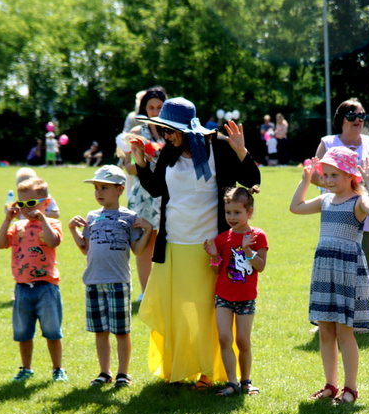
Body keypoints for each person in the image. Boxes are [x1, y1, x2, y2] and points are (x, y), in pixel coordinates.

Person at [128, 97, 260, 386]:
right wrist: (140, 161)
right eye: (162, 130)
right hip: (173, 244)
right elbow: (155, 188)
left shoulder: (220, 148)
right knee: (177, 310)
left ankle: (209, 371)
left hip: (210, 247)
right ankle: (178, 368)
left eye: (169, 130)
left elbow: (252, 181)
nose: (165, 135)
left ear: (187, 129)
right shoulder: (168, 152)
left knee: (207, 312)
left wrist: (241, 152)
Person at [290, 147, 369, 403]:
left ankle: (350, 388)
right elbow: (296, 207)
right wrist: (306, 179)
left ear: (350, 175)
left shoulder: (358, 201)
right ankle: (330, 384)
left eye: (334, 175)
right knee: (325, 331)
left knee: (344, 332)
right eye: (326, 175)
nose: (328, 180)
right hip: (325, 269)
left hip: (346, 270)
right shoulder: (325, 200)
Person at [68, 165, 152, 388]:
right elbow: (85, 248)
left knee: (121, 331)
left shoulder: (129, 217)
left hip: (118, 282)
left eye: (104, 187)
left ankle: (123, 373)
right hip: (93, 281)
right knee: (100, 331)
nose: (98, 192)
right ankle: (104, 372)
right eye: (96, 188)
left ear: (120, 189)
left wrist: (148, 230)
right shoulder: (92, 216)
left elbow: (138, 250)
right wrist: (73, 231)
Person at [315, 98, 369, 317]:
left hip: (366, 213)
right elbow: (316, 174)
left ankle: (368, 320)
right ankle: (329, 317)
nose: (358, 120)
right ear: (341, 119)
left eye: (362, 116)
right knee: (333, 268)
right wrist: (336, 184)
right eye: (353, 116)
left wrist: (355, 180)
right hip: (336, 214)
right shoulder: (327, 143)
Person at [0, 176, 66, 383]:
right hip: (22, 287)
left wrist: (41, 219)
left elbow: (53, 241)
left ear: (46, 203)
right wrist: (8, 219)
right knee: (23, 333)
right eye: (21, 204)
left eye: (31, 203)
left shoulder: (51, 222)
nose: (26, 208)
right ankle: (26, 368)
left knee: (52, 331)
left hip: (47, 286)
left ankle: (57, 369)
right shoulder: (17, 227)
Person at [203, 187, 268, 397]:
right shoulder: (222, 239)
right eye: (228, 212)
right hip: (223, 295)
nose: (232, 217)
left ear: (249, 212)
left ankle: (246, 381)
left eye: (237, 212)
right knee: (224, 337)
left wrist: (248, 250)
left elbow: (260, 266)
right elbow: (216, 270)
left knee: (242, 340)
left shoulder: (258, 236)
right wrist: (214, 255)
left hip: (246, 298)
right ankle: (232, 382)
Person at [120, 87, 167, 301]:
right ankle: (146, 291)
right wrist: (144, 159)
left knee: (168, 242)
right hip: (144, 194)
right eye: (151, 107)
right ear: (144, 109)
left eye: (160, 107)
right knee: (145, 243)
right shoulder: (136, 134)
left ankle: (166, 289)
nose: (156, 111)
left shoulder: (173, 132)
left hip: (169, 193)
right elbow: (127, 167)